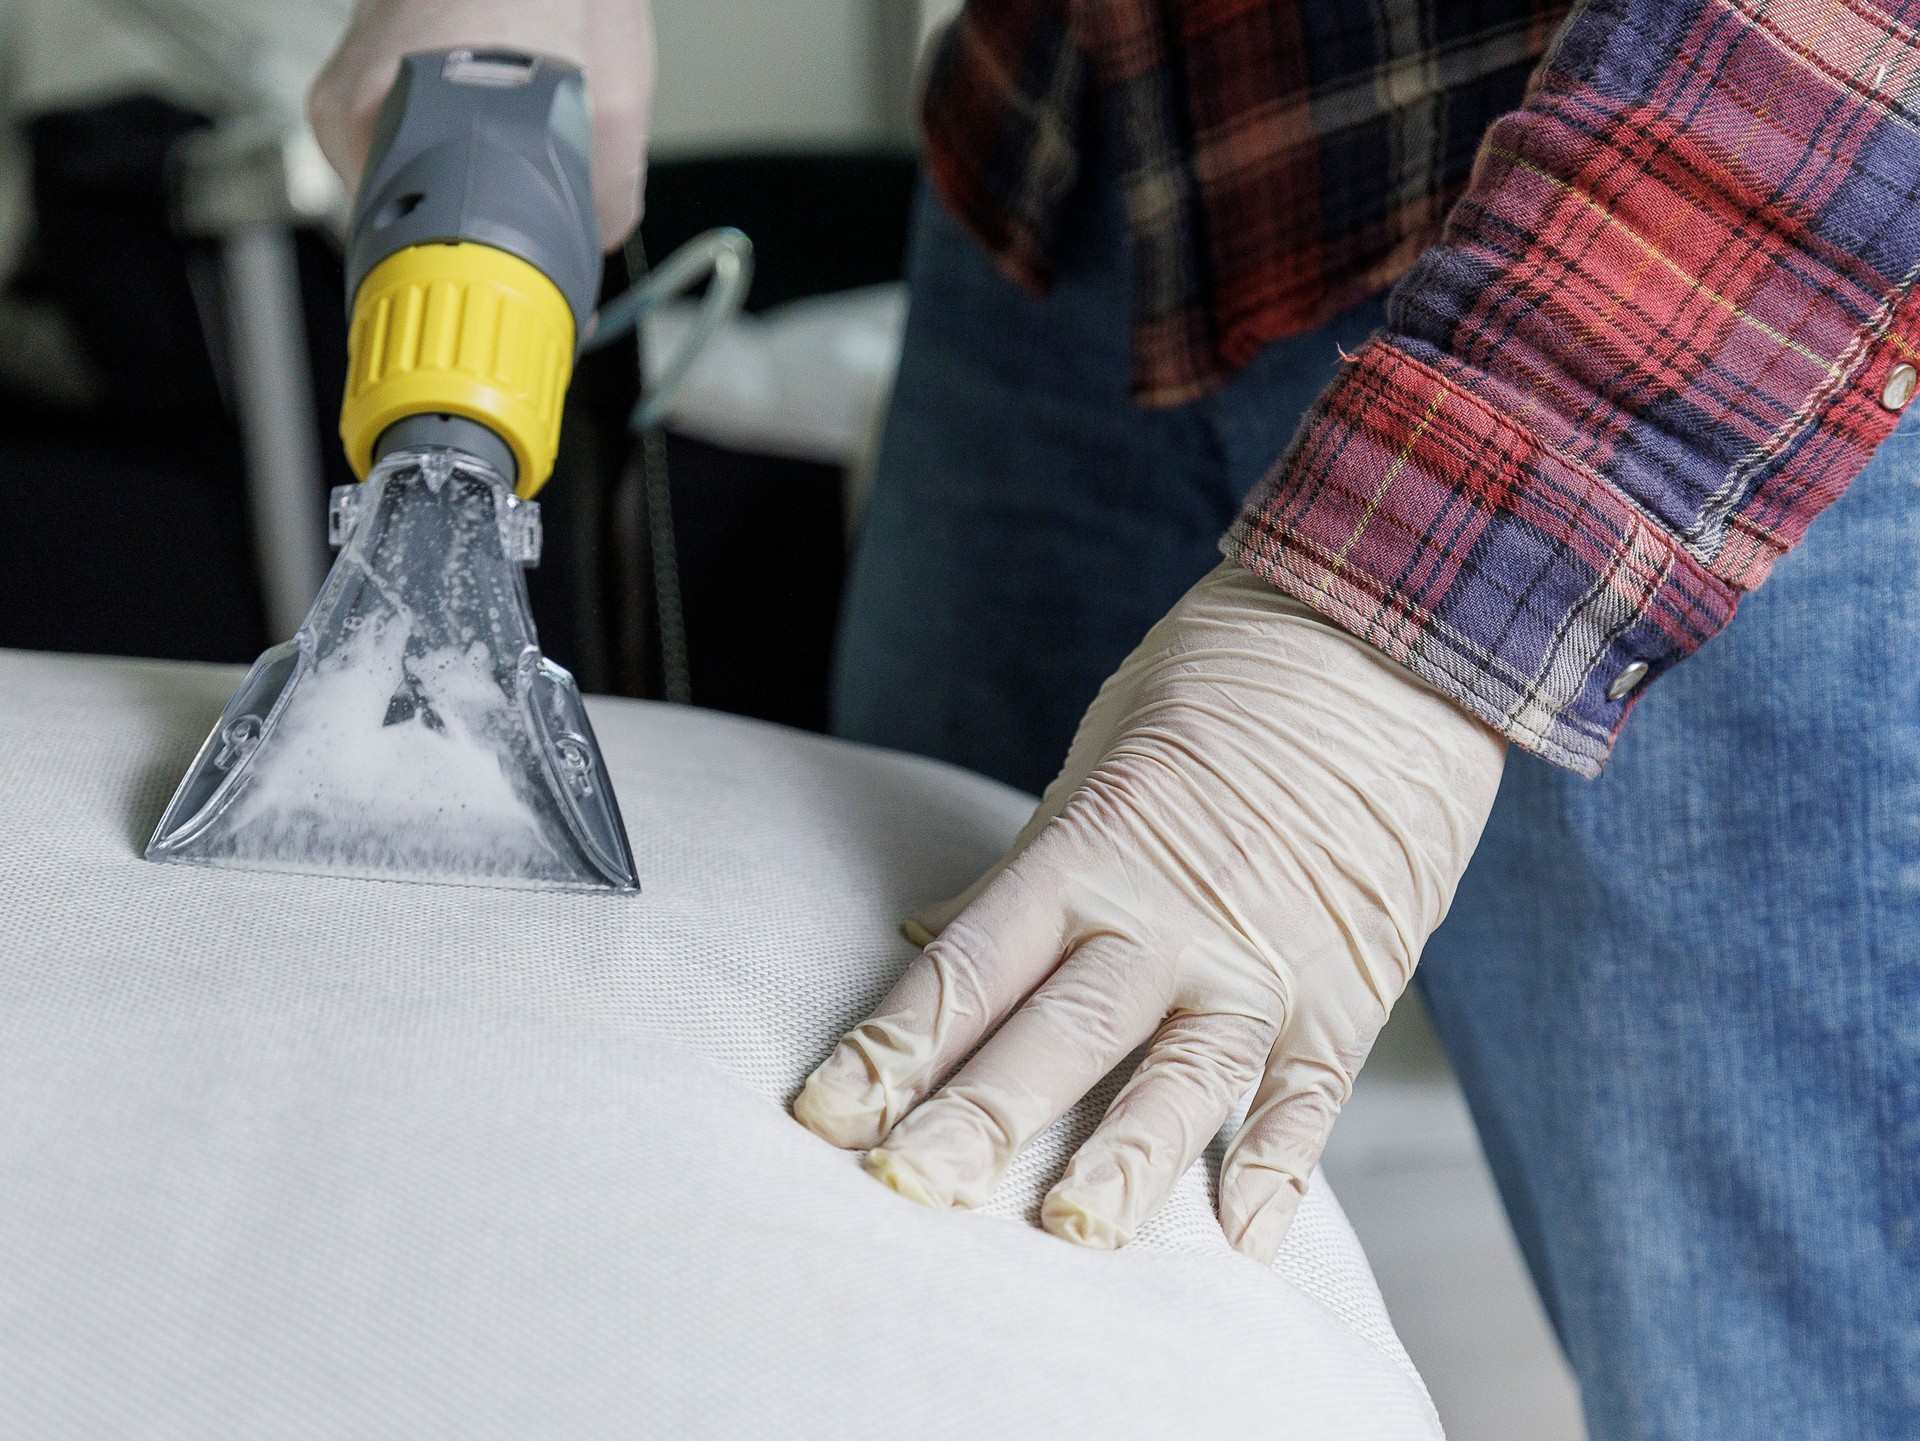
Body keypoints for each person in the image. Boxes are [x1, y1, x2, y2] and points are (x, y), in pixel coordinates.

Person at [311, 2, 1920, 1435]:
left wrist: (1410, 589)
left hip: (1735, 255)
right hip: (1089, 157)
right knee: (911, 1170)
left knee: (1785, 1360)